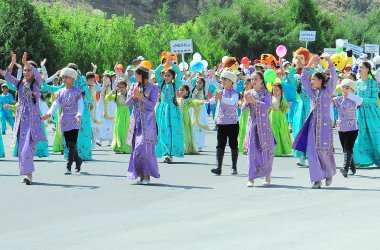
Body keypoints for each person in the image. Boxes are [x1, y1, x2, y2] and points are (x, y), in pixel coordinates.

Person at [293, 54, 337, 188]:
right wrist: (310, 61)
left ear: (320, 81)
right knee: (312, 153)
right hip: (313, 126)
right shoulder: (312, 92)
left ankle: (328, 173)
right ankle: (317, 180)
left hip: (324, 127)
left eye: (314, 79)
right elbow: (303, 78)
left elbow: (333, 76)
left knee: (324, 151)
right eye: (311, 79)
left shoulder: (328, 90)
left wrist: (329, 60)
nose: (311, 81)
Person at [4, 52, 47, 185]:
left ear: (33, 72)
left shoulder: (37, 84)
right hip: (21, 122)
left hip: (33, 123)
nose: (26, 72)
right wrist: (12, 62)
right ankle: (28, 175)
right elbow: (6, 75)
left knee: (28, 148)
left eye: (28, 70)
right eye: (24, 70)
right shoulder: (19, 84)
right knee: (22, 148)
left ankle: (28, 174)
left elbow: (38, 75)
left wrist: (26, 62)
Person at [42, 67, 84, 174]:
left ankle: (68, 166)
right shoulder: (60, 92)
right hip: (64, 119)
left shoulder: (78, 92)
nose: (64, 79)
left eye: (67, 77)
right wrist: (49, 113)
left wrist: (79, 114)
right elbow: (56, 104)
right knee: (69, 144)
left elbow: (81, 105)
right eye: (63, 77)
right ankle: (78, 160)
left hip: (75, 119)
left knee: (72, 143)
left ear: (72, 79)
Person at [126, 65, 159, 184]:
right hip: (136, 122)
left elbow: (151, 106)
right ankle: (140, 175)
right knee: (136, 149)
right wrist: (134, 96)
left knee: (144, 149)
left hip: (148, 122)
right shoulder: (134, 86)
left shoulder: (153, 87)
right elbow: (127, 103)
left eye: (136, 74)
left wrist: (141, 97)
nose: (134, 77)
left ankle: (147, 175)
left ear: (141, 75)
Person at [243, 72, 274, 187]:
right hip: (253, 126)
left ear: (261, 80)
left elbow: (267, 106)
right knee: (252, 152)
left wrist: (254, 102)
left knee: (266, 151)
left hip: (264, 126)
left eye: (256, 79)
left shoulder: (266, 93)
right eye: (252, 79)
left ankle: (267, 175)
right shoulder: (248, 93)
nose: (254, 81)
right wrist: (246, 102)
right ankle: (251, 178)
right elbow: (243, 109)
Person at [155, 56, 184, 163]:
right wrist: (164, 64)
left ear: (172, 77)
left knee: (172, 131)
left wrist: (172, 64)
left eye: (168, 75)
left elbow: (180, 74)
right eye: (165, 75)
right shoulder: (161, 83)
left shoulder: (175, 85)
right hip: (162, 110)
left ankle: (170, 153)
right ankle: (165, 152)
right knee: (163, 130)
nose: (166, 77)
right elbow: (157, 72)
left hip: (172, 110)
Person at [210, 70, 240, 175]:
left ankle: (234, 167)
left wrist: (221, 98)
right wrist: (213, 98)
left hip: (232, 123)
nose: (222, 81)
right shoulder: (220, 92)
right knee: (220, 145)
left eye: (225, 79)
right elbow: (212, 101)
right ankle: (218, 167)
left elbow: (232, 102)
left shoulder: (235, 93)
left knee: (233, 144)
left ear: (231, 81)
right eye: (222, 79)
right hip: (222, 122)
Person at [333, 79, 363, 177]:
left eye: (347, 87)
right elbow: (328, 100)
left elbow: (361, 101)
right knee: (345, 149)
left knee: (348, 147)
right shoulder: (338, 99)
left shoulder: (356, 100)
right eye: (343, 87)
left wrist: (349, 93)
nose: (344, 89)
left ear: (353, 90)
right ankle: (353, 168)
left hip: (353, 128)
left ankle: (345, 168)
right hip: (341, 127)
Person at [353, 62, 380, 168]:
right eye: (358, 67)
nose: (359, 69)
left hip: (372, 113)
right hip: (359, 112)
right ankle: (363, 160)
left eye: (361, 67)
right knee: (360, 135)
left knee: (375, 135)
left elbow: (374, 100)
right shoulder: (356, 83)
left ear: (368, 69)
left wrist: (361, 100)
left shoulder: (373, 83)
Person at [178, 84, 207, 154]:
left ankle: (187, 148)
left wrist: (200, 102)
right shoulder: (177, 99)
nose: (181, 91)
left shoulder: (188, 100)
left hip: (185, 118)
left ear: (187, 91)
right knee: (178, 133)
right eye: (180, 90)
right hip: (177, 118)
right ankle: (179, 148)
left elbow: (194, 102)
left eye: (183, 90)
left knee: (186, 133)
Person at [105, 79, 131, 154]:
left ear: (126, 87)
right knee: (118, 130)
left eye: (123, 87)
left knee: (125, 130)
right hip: (119, 114)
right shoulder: (117, 95)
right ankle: (118, 146)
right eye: (120, 87)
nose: (121, 89)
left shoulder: (128, 95)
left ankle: (125, 147)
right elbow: (107, 98)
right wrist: (113, 91)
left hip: (126, 114)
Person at [270, 83, 293, 156]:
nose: (275, 91)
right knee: (273, 132)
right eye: (274, 90)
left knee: (279, 133)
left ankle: (279, 151)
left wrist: (287, 106)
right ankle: (273, 150)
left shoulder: (282, 98)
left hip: (279, 117)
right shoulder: (272, 98)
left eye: (277, 90)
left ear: (280, 91)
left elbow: (284, 110)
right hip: (272, 117)